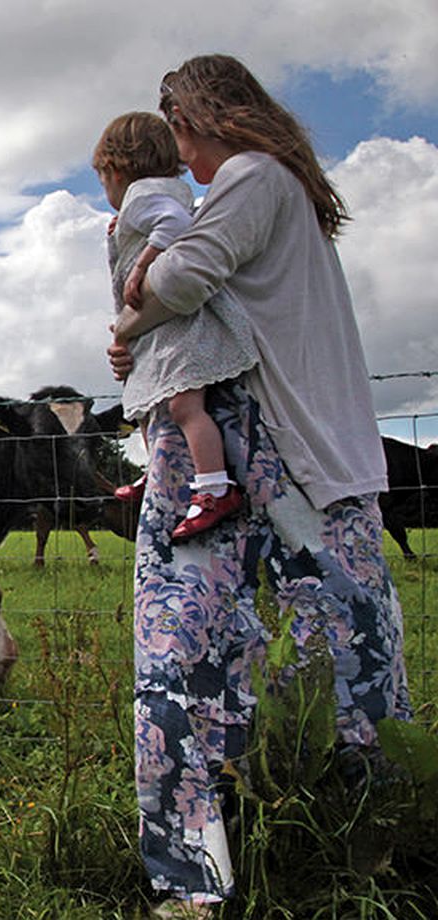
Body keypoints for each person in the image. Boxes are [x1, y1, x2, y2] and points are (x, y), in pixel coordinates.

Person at [107, 55, 411, 918]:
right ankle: (368, 849)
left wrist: (130, 316)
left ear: (196, 114)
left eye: (176, 127)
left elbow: (179, 279)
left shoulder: (248, 175)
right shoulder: (288, 192)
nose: (176, 150)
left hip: (261, 452)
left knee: (179, 659)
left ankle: (196, 881)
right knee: (349, 667)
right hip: (321, 458)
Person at [95, 112, 259, 540]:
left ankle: (212, 488)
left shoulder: (143, 196)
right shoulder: (157, 197)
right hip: (159, 330)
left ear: (114, 170)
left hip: (180, 331)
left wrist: (144, 260)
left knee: (186, 406)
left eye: (102, 183)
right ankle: (160, 473)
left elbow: (175, 225)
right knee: (150, 407)